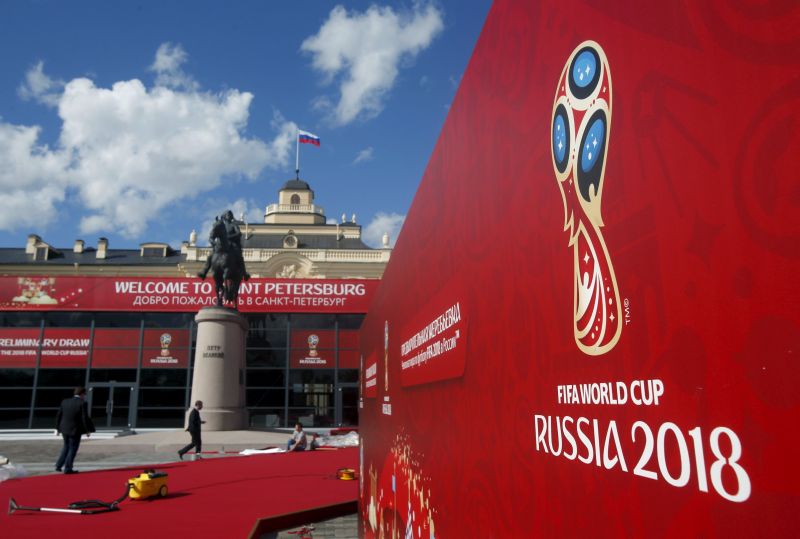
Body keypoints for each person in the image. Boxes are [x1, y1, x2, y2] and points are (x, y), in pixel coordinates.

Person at [55, 387, 95, 474]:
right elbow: (84, 417)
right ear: (82, 394)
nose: (84, 396)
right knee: (72, 448)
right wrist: (87, 430)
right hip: (75, 429)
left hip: (64, 428)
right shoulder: (82, 403)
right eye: (84, 394)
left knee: (66, 446)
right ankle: (68, 468)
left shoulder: (65, 401)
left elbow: (59, 415)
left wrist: (57, 428)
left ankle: (58, 465)